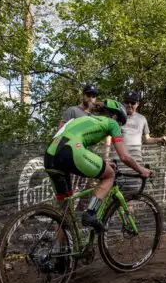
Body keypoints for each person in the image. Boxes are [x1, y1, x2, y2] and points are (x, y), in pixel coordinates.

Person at [44, 99, 152, 235]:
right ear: (114, 116)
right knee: (110, 175)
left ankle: (61, 251)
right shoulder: (112, 123)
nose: (119, 128)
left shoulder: (87, 119)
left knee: (65, 211)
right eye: (120, 123)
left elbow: (80, 147)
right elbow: (124, 157)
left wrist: (103, 162)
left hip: (50, 155)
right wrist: (141, 170)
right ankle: (91, 213)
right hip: (70, 151)